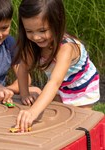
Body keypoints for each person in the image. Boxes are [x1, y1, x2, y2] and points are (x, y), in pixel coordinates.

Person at [14, 0, 100, 132]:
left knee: (79, 126)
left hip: (81, 88)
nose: (36, 37)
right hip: (61, 86)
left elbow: (54, 82)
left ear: (57, 24)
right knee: (56, 120)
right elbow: (23, 68)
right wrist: (24, 94)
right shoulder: (33, 46)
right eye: (29, 31)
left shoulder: (66, 48)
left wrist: (32, 112)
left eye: (42, 30)